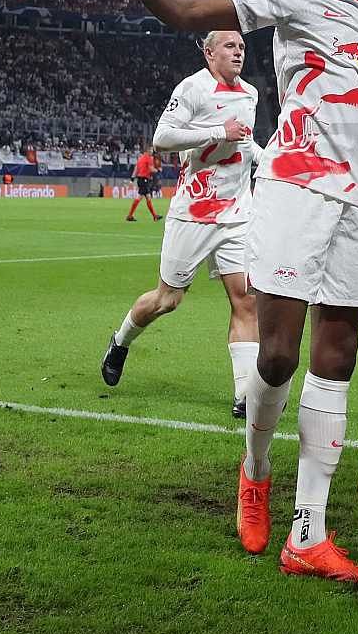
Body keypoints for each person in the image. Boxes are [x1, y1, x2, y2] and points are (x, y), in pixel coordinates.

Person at [111, 0, 358, 585]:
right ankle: (255, 472)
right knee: (276, 357)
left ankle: (308, 531)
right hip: (294, 192)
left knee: (335, 360)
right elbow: (190, 13)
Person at [99, 32, 260, 422]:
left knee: (246, 298)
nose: (238, 51)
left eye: (241, 46)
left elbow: (245, 143)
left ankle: (244, 394)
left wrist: (269, 159)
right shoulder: (192, 88)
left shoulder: (251, 94)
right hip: (194, 212)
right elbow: (162, 138)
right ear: (209, 52)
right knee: (167, 300)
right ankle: (120, 342)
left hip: (237, 213)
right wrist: (219, 131)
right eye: (229, 46)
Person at [126, 147, 161, 221]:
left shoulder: (140, 158)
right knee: (141, 197)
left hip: (140, 179)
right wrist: (158, 170)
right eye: (151, 150)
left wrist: (132, 178)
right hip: (144, 179)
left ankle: (154, 216)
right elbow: (151, 169)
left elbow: (136, 169)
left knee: (146, 197)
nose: (152, 151)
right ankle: (130, 215)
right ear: (147, 151)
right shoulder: (149, 158)